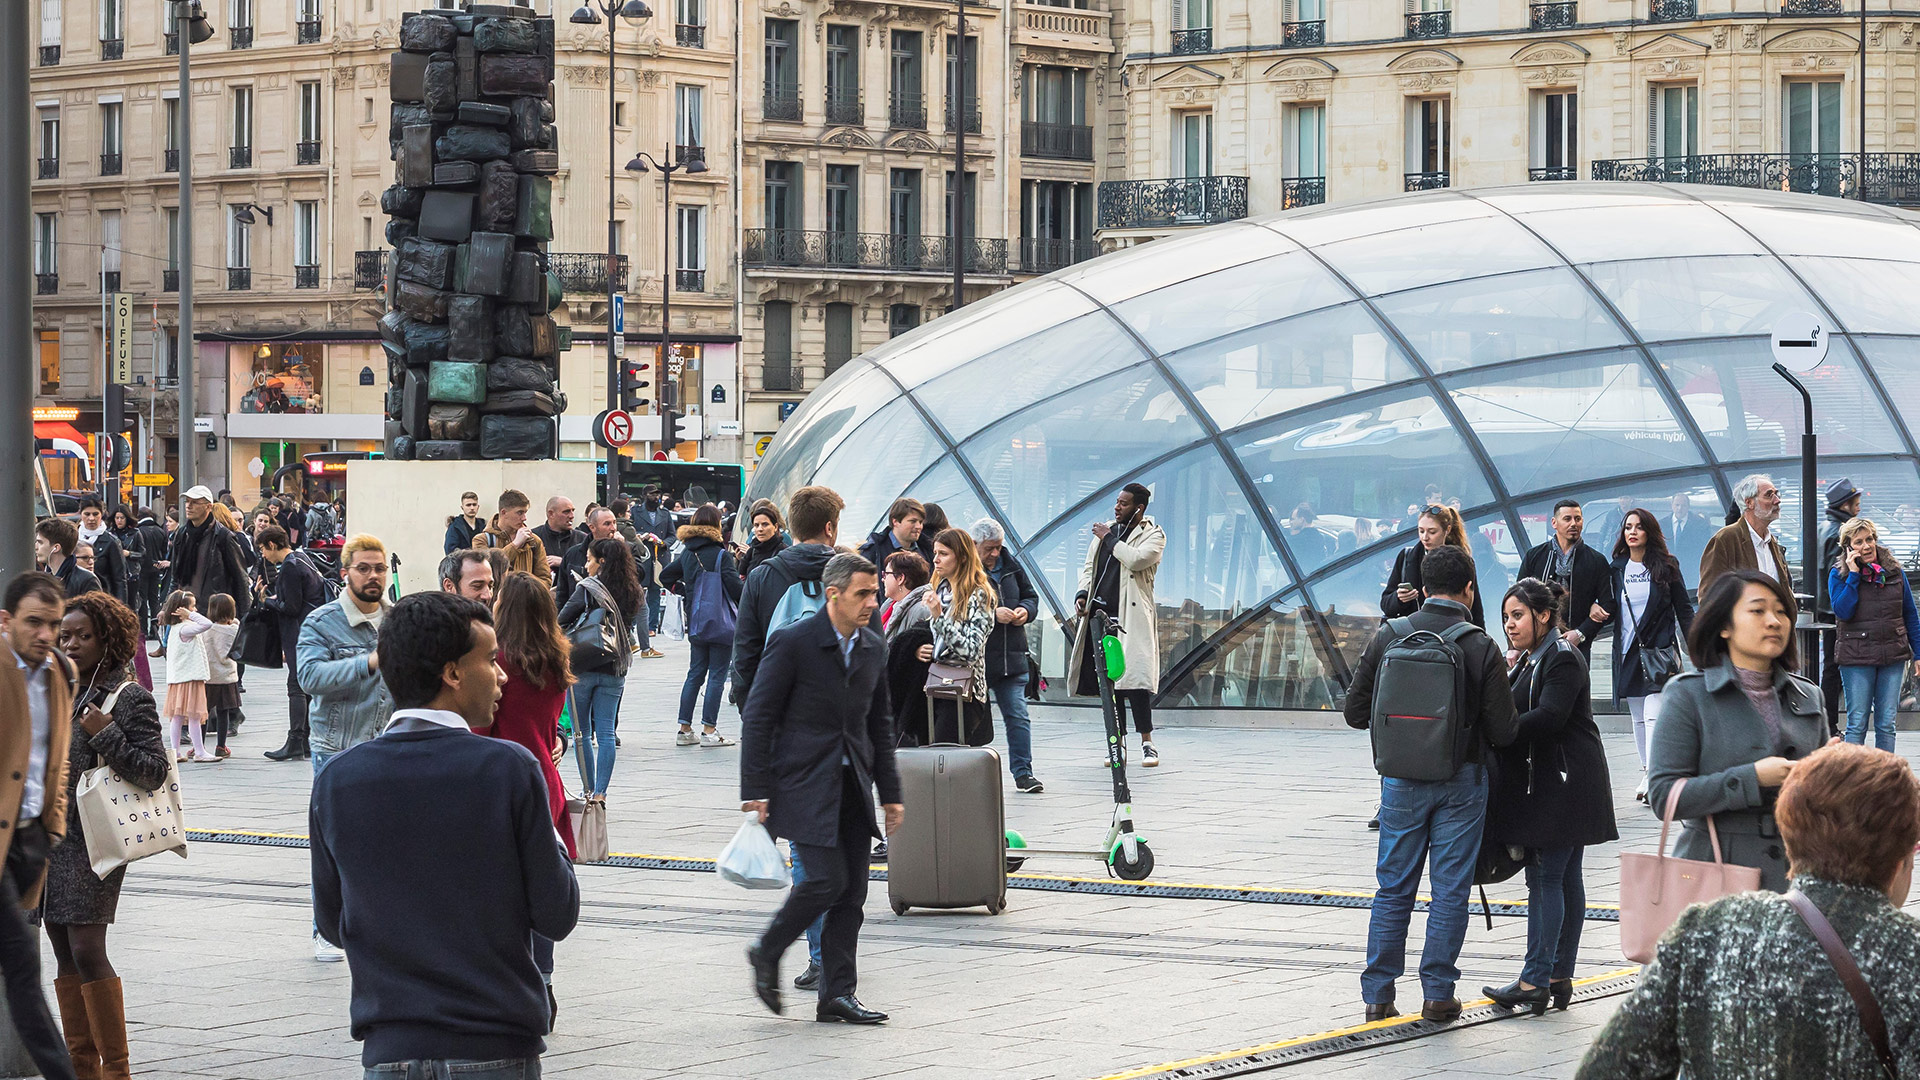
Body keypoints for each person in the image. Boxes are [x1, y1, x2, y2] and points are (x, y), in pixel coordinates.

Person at [312, 590, 578, 1077]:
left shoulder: (338, 779)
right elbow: (556, 912)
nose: (501, 676)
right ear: (453, 673)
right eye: (492, 661)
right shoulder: (510, 770)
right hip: (493, 1042)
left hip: (390, 1046)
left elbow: (332, 923)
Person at [1577, 742, 1920, 1079]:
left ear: (1790, 837)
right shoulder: (1906, 953)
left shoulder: (1705, 930)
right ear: (1900, 857)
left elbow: (1611, 1068)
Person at [1341, 545, 1518, 1024]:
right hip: (1462, 781)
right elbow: (1504, 732)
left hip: (1400, 781)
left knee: (1393, 888)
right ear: (1469, 590)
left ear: (1420, 589)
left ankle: (1378, 994)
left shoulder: (1389, 635)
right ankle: (1438, 993)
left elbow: (1355, 713)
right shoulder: (1481, 645)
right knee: (1449, 890)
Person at [742, 552, 903, 1025]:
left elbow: (880, 723)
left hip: (852, 785)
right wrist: (755, 787)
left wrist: (890, 793)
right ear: (833, 594)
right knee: (823, 880)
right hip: (802, 782)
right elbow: (759, 715)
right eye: (862, 594)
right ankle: (767, 951)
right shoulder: (795, 643)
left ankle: (837, 994)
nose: (872, 602)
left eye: (875, 592)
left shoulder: (872, 645)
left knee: (853, 890)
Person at [40, 592, 167, 1080]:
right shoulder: (57, 686)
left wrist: (106, 732)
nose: (70, 643)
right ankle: (81, 1069)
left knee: (89, 949)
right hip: (48, 838)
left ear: (107, 639)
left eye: (81, 636)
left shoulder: (127, 696)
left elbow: (153, 770)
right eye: (64, 635)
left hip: (92, 843)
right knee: (61, 949)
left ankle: (115, 1071)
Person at [1481, 578, 1616, 1017]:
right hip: (1565, 779)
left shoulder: (1560, 657)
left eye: (1517, 615)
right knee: (1563, 877)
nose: (1510, 625)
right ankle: (1557, 974)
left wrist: (1502, 731)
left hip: (1563, 782)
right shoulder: (1533, 658)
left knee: (1545, 877)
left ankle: (1535, 979)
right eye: (1505, 617)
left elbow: (1552, 716)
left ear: (1543, 615)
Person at [1648, 569, 1824, 893]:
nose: (1774, 621)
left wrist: (1835, 771)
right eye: (1758, 611)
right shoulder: (1688, 695)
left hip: (1796, 877)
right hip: (1716, 878)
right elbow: (1663, 795)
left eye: (1782, 611)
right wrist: (1752, 778)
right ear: (1725, 626)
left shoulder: (1808, 695)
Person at [0, 573, 82, 1080]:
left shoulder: (61, 673)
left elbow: (59, 757)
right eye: (34, 622)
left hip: (27, 841)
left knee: (19, 968)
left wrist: (52, 825)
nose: (46, 634)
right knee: (24, 970)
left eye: (53, 624)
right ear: (6, 621)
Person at [297, 535, 395, 961]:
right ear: (345, 573)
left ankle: (378, 923)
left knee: (386, 842)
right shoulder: (321, 622)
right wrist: (369, 662)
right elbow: (310, 678)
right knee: (335, 842)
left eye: (379, 569)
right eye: (364, 568)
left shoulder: (398, 619)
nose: (373, 576)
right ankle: (326, 927)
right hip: (338, 748)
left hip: (390, 746)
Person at [485, 572, 577, 1019]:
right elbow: (553, 724)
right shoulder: (556, 658)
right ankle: (544, 978)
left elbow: (482, 727)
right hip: (547, 780)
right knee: (542, 884)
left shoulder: (498, 663)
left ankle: (515, 980)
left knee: (504, 889)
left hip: (503, 782)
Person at [1069, 483, 1166, 766]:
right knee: (1110, 684)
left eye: (1124, 503)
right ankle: (1117, 744)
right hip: (1100, 619)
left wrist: (1109, 538)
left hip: (1129, 618)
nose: (1117, 507)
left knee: (1134, 683)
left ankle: (1147, 743)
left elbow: (1136, 560)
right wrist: (1082, 594)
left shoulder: (1153, 535)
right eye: (1117, 502)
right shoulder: (1106, 532)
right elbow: (1089, 569)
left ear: (1139, 508)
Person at [1607, 508, 1696, 803]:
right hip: (1627, 650)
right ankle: (1647, 770)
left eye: (1638, 527)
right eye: (1628, 527)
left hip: (1658, 649)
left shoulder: (1666, 566)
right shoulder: (1617, 568)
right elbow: (1610, 607)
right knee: (1637, 717)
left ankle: (1654, 775)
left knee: (1652, 714)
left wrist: (1695, 640)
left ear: (1649, 532)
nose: (1632, 532)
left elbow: (1683, 608)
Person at [733, 486, 843, 707]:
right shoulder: (850, 575)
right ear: (829, 527)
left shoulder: (761, 577)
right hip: (835, 709)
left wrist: (753, 712)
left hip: (778, 705)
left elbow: (744, 653)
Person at [1829, 516, 1920, 752]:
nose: (1866, 546)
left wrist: (1918, 653)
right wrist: (1853, 575)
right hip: (1856, 658)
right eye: (1858, 542)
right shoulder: (1838, 574)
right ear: (1848, 547)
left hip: (1892, 654)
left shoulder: (1894, 572)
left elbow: (1910, 613)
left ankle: (1885, 782)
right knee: (1857, 723)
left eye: (1869, 539)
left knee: (1886, 724)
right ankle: (1855, 781)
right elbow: (1843, 611)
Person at [557, 538, 638, 800]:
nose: (586, 564)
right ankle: (602, 792)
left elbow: (562, 619)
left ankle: (588, 790)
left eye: (590, 559)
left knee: (582, 734)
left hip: (584, 665)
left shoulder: (588, 588)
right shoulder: (632, 589)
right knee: (605, 732)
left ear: (601, 561)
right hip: (615, 666)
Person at [660, 505, 742, 747]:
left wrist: (686, 592)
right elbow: (736, 590)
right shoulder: (720, 555)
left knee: (695, 673)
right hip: (720, 622)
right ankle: (709, 730)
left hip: (695, 622)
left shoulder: (687, 553)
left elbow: (665, 577)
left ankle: (684, 730)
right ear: (717, 525)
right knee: (716, 675)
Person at [972, 519, 1042, 793]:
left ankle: (1024, 773)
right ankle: (968, 774)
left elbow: (1031, 596)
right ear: (975, 544)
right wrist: (992, 614)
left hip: (1012, 659)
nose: (994, 554)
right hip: (978, 661)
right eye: (989, 548)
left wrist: (1026, 610)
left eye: (998, 547)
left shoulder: (1011, 566)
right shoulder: (965, 570)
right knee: (972, 720)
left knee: (1018, 716)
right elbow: (956, 606)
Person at [917, 528, 997, 748]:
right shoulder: (940, 590)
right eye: (935, 553)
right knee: (931, 757)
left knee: (946, 757)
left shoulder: (979, 594)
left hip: (964, 690)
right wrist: (921, 648)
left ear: (961, 557)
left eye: (943, 553)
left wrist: (939, 617)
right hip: (935, 684)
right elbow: (931, 636)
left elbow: (971, 650)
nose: (936, 559)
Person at [255, 527, 326, 762]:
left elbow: (291, 607)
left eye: (264, 549)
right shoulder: (302, 558)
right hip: (312, 631)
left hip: (299, 633)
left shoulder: (289, 567)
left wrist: (267, 601)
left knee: (296, 685)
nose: (264, 555)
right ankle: (304, 740)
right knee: (302, 685)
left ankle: (296, 740)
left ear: (273, 545)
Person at [1518, 499, 1613, 658]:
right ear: (1554, 523)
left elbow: (1609, 605)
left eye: (1578, 518)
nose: (1574, 524)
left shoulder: (1596, 560)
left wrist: (1581, 633)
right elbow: (1518, 598)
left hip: (1577, 645)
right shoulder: (1535, 556)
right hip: (1537, 643)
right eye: (1567, 519)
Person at [1699, 474, 1796, 619]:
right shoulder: (1725, 539)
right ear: (1749, 503)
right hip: (1742, 636)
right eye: (1769, 495)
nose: (1777, 500)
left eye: (1777, 494)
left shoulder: (1772, 543)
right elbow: (1709, 596)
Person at [1381, 505, 1485, 628]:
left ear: (1447, 530)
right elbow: (1385, 604)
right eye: (1421, 531)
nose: (1425, 537)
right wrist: (1399, 598)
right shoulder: (1406, 557)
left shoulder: (1461, 562)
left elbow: (1475, 609)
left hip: (1450, 635)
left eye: (1432, 532)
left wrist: (1478, 639)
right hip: (1411, 636)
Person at [1820, 478, 1867, 734]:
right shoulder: (1838, 532)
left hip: (1826, 608)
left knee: (1831, 666)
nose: (1859, 508)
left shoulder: (1824, 527)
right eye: (1856, 504)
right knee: (1834, 668)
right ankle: (1829, 726)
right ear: (1845, 505)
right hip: (1835, 610)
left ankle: (1828, 724)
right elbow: (1838, 571)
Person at [164, 486, 252, 623]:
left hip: (214, 613)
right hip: (185, 612)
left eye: (195, 502)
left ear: (208, 507)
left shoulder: (223, 536)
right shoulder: (182, 534)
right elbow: (175, 577)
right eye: (187, 501)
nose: (189, 506)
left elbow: (241, 578)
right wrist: (166, 608)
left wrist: (245, 617)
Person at [156, 590, 218, 764]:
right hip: (190, 677)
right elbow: (207, 624)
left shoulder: (175, 629)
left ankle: (174, 752)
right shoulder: (186, 628)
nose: (196, 610)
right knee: (194, 716)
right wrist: (190, 614)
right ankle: (199, 751)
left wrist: (189, 613)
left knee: (177, 717)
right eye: (192, 606)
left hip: (178, 679)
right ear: (182, 610)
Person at [472, 489, 552, 585]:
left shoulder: (533, 541)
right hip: (497, 599)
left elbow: (545, 578)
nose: (524, 518)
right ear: (504, 512)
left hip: (526, 598)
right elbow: (487, 570)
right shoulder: (482, 540)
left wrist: (531, 594)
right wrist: (515, 545)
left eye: (525, 512)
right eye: (519, 513)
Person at [201, 593, 241, 760]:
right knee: (223, 712)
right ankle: (221, 746)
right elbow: (238, 623)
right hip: (226, 677)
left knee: (204, 712)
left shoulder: (206, 629)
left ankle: (200, 745)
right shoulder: (233, 629)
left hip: (208, 676)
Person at [631, 489, 675, 635]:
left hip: (659, 557)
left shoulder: (665, 513)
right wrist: (639, 536)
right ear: (644, 496)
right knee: (637, 591)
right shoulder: (635, 511)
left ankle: (652, 627)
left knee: (656, 591)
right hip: (642, 555)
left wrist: (663, 543)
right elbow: (630, 531)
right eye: (652, 494)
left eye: (658, 494)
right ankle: (633, 624)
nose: (656, 497)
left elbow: (672, 535)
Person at [74, 499, 128, 606]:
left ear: (101, 515)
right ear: (81, 515)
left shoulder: (111, 542)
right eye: (87, 514)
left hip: (102, 601)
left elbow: (119, 579)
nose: (91, 518)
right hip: (75, 598)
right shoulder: (72, 537)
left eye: (95, 514)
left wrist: (120, 607)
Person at [857, 497, 933, 570]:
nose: (918, 526)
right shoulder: (874, 551)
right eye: (913, 521)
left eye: (920, 522)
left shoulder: (927, 549)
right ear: (895, 522)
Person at [36, 520, 99, 599]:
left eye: (40, 543)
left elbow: (95, 609)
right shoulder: (44, 580)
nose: (36, 547)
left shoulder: (87, 580)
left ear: (56, 548)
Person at [134, 510, 169, 639]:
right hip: (156, 568)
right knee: (154, 599)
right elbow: (164, 550)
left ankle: (143, 629)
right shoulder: (160, 530)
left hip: (142, 569)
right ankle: (155, 629)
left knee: (142, 599)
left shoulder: (139, 531)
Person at [533, 495, 585, 577]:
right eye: (566, 512)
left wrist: (563, 562)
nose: (571, 516)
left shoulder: (582, 539)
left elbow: (589, 569)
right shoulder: (534, 538)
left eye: (572, 511)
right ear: (551, 514)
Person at [739, 501, 791, 583]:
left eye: (765, 524)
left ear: (775, 527)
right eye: (756, 525)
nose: (760, 529)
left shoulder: (783, 552)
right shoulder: (752, 551)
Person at [1284, 503, 1335, 567]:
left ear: (1302, 519)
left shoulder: (1301, 539)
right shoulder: (1318, 536)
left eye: (1293, 519)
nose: (1290, 522)